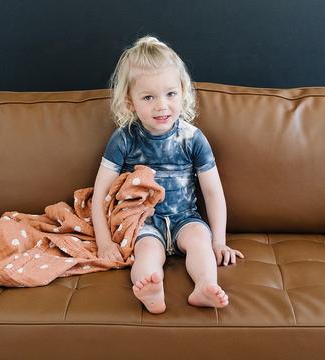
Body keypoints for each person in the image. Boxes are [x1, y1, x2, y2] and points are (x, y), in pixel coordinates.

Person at [91, 35, 244, 314]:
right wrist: (104, 241)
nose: (162, 105)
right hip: (144, 220)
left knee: (200, 242)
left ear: (183, 91)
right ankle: (150, 288)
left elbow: (213, 192)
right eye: (148, 97)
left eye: (170, 94)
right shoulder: (125, 138)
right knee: (148, 253)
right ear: (130, 102)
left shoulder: (192, 138)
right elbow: (99, 192)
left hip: (186, 217)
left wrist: (219, 240)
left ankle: (205, 286)